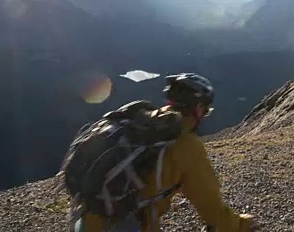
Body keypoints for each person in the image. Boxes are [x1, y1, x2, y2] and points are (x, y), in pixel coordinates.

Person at [75, 72, 260, 232]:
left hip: (84, 218)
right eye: (206, 110)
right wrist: (238, 225)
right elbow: (209, 203)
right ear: (198, 108)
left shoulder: (140, 122)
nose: (204, 115)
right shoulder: (186, 145)